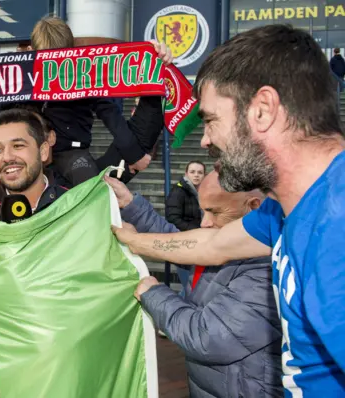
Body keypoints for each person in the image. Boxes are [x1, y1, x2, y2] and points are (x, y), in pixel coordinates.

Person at [112, 25, 345, 395]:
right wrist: (132, 237)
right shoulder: (283, 211)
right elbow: (212, 246)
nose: (205, 140)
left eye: (210, 119)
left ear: (262, 111)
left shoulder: (336, 228)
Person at [0, 17, 170, 187]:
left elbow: (112, 117)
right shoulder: (18, 79)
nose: (53, 71)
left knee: (88, 186)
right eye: (45, 60)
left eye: (60, 60)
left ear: (74, 53)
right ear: (31, 53)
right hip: (26, 156)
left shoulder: (87, 77)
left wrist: (134, 155)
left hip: (71, 154)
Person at [107, 171, 282, 396]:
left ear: (254, 207)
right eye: (203, 211)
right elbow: (179, 243)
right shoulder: (226, 245)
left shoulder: (266, 268)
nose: (204, 223)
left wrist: (154, 294)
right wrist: (131, 204)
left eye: (214, 212)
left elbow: (207, 338)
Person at [165, 160, 205, 295]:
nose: (196, 175)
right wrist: (196, 230)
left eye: (200, 172)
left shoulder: (202, 192)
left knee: (193, 286)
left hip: (199, 244)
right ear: (186, 174)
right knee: (190, 286)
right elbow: (173, 219)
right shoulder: (179, 191)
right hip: (184, 244)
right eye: (192, 172)